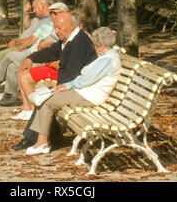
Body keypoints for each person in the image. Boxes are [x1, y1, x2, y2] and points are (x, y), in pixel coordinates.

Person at [24, 27, 121, 155]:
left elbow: (86, 80)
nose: (93, 47)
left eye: (94, 44)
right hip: (85, 91)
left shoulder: (107, 60)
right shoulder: (106, 56)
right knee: (46, 96)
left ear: (102, 45)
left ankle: (42, 142)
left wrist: (66, 86)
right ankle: (41, 140)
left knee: (48, 101)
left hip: (89, 95)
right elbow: (86, 76)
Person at [12, 11, 97, 151]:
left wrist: (55, 88)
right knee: (44, 96)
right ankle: (55, 138)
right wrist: (31, 58)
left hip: (82, 90)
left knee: (45, 99)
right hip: (71, 85)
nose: (56, 31)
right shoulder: (68, 39)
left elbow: (72, 74)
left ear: (72, 25)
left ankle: (31, 138)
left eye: (59, 28)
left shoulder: (79, 42)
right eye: (55, 28)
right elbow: (51, 51)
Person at [0, 0, 57, 107]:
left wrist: (20, 45)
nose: (33, 11)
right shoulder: (44, 23)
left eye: (55, 13)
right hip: (30, 51)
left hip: (40, 56)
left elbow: (48, 43)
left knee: (11, 55)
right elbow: (32, 38)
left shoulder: (55, 26)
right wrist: (20, 47)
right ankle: (10, 96)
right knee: (13, 65)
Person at [13, 2, 70, 120]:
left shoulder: (65, 28)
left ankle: (34, 112)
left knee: (24, 77)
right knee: (21, 70)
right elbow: (42, 46)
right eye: (51, 13)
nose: (53, 15)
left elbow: (49, 48)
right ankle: (27, 108)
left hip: (59, 69)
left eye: (56, 13)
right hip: (49, 62)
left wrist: (50, 58)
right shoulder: (53, 28)